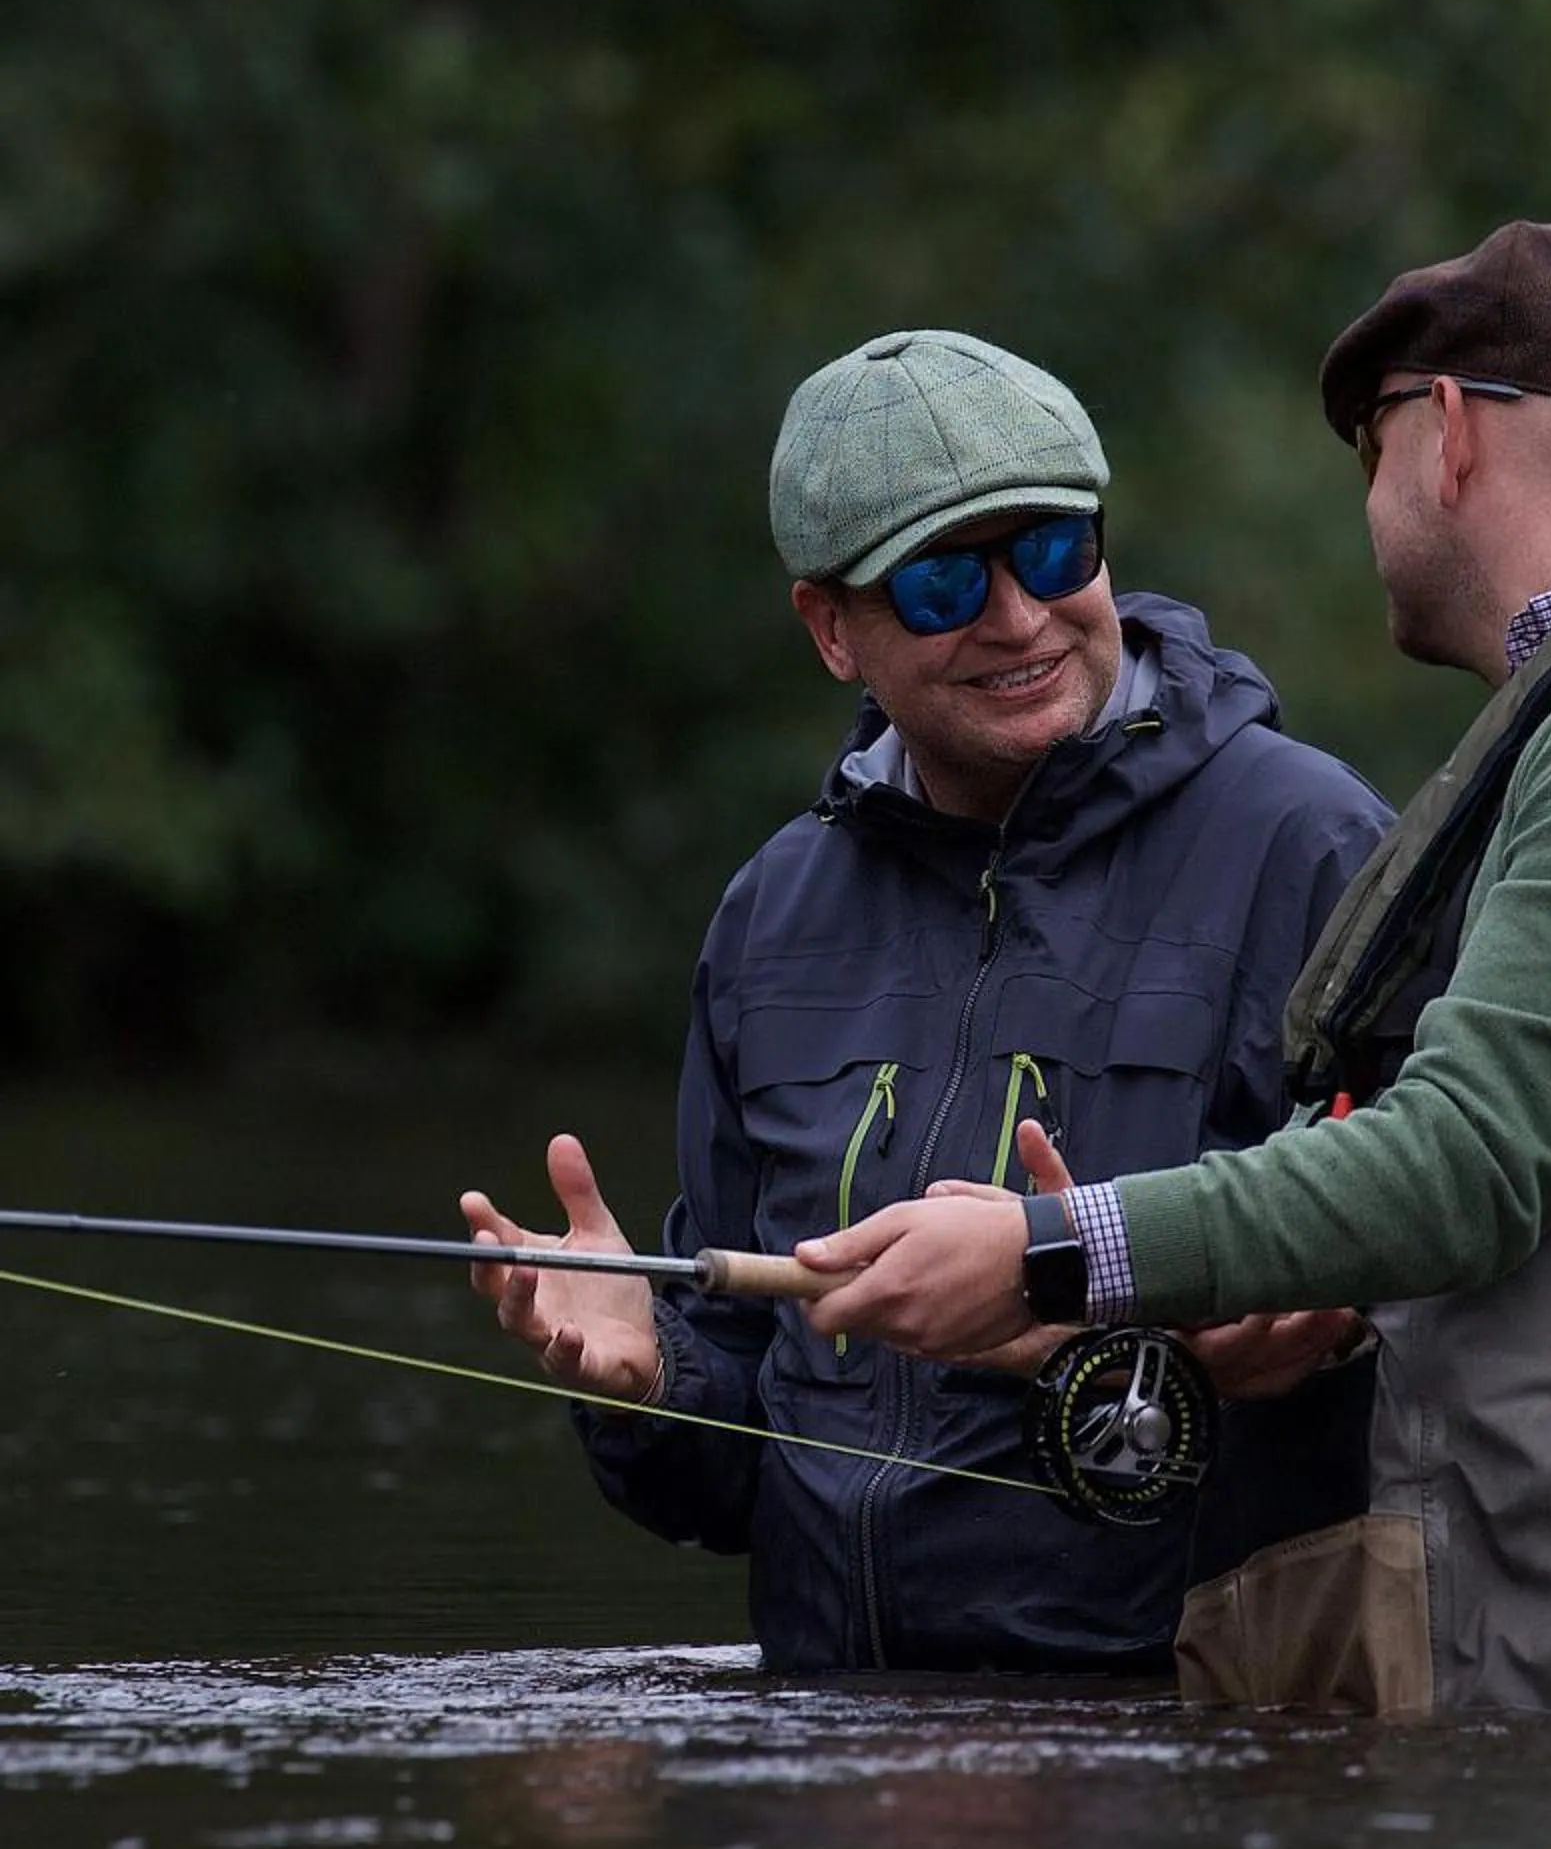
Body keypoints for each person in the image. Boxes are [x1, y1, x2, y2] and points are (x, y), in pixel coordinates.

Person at [795, 219, 1551, 1716]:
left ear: (1443, 432)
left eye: (1368, 449)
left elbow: (1469, 1163)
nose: (1370, 505)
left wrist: (1056, 1251)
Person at [460, 327, 1391, 1678]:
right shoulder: (771, 915)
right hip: (832, 1764)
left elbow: (1452, 1285)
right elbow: (724, 1479)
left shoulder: (1307, 845)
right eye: (945, 579)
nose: (1018, 616)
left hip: (1193, 1751)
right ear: (830, 627)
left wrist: (1287, 1329)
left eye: (1058, 552)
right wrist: (649, 1379)